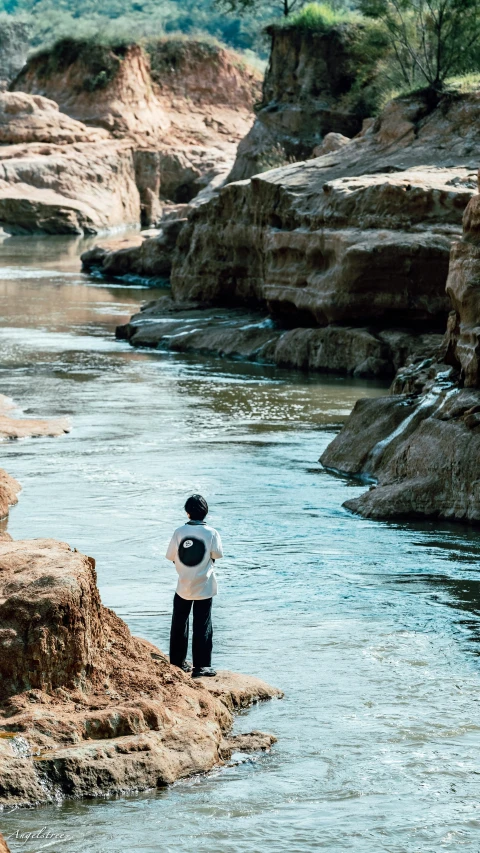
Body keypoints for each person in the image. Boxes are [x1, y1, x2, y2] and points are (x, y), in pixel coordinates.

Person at [166, 494, 223, 678]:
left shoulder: (179, 531)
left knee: (179, 622)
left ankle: (177, 661)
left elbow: (171, 556)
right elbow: (217, 555)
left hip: (183, 584)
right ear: (205, 513)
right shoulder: (212, 533)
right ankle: (201, 666)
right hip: (204, 585)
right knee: (202, 624)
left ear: (187, 513)